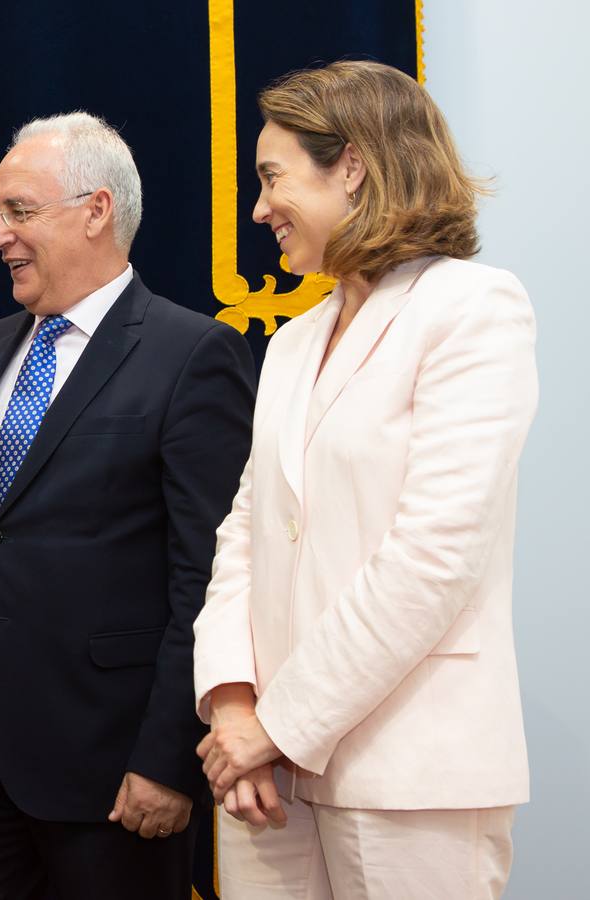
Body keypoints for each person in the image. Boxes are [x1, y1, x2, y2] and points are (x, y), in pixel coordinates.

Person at [0, 112, 255, 898]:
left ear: (96, 210)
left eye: (18, 212)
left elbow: (210, 577)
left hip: (113, 771)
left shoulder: (192, 354)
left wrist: (167, 758)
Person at [193, 60, 536, 899]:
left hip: (411, 774)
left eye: (274, 178)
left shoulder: (473, 309)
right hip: (265, 784)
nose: (260, 207)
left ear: (351, 165)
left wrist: (276, 726)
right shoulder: (292, 341)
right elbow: (244, 533)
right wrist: (234, 707)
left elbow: (434, 556)